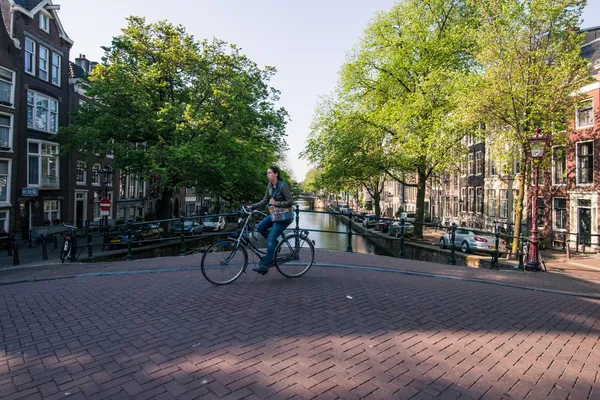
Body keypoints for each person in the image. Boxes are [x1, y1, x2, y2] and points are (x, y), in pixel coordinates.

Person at [248, 166, 294, 275]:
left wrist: (275, 203)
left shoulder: (283, 186)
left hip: (284, 217)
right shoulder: (269, 186)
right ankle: (275, 244)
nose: (267, 175)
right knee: (260, 227)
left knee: (270, 239)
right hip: (275, 215)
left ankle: (265, 266)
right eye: (267, 173)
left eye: (269, 173)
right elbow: (265, 200)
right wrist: (252, 206)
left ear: (276, 174)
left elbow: (290, 202)